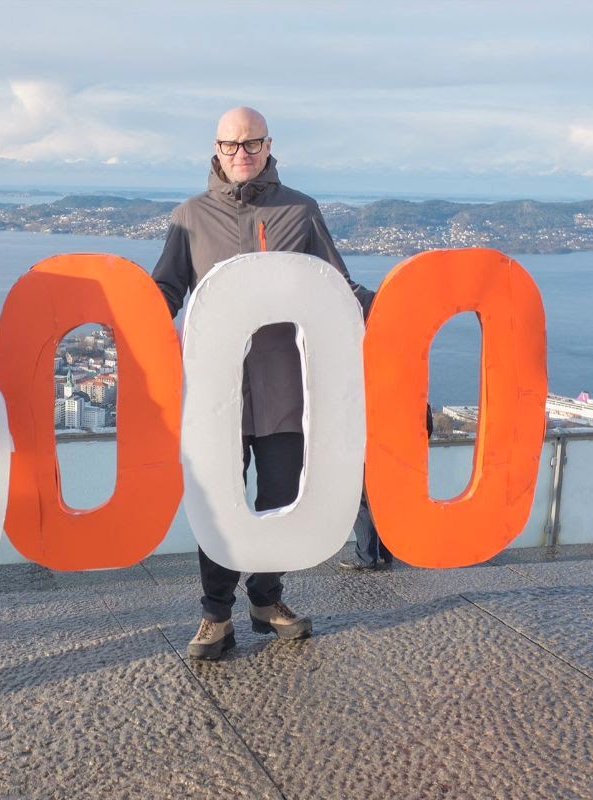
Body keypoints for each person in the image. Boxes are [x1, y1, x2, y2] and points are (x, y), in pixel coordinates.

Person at [152, 106, 371, 660]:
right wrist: (123, 318)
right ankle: (215, 615)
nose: (241, 154)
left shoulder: (301, 210)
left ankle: (267, 600)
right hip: (215, 395)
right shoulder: (190, 217)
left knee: (282, 499)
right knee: (218, 508)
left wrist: (395, 306)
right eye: (230, 144)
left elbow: (337, 287)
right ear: (216, 148)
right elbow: (166, 290)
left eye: (251, 143)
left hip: (286, 388)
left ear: (269, 145)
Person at [340, 404, 434, 570]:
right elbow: (427, 426)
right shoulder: (410, 395)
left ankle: (366, 558)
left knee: (362, 504)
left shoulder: (370, 396)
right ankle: (387, 551)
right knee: (386, 504)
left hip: (374, 454)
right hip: (400, 456)